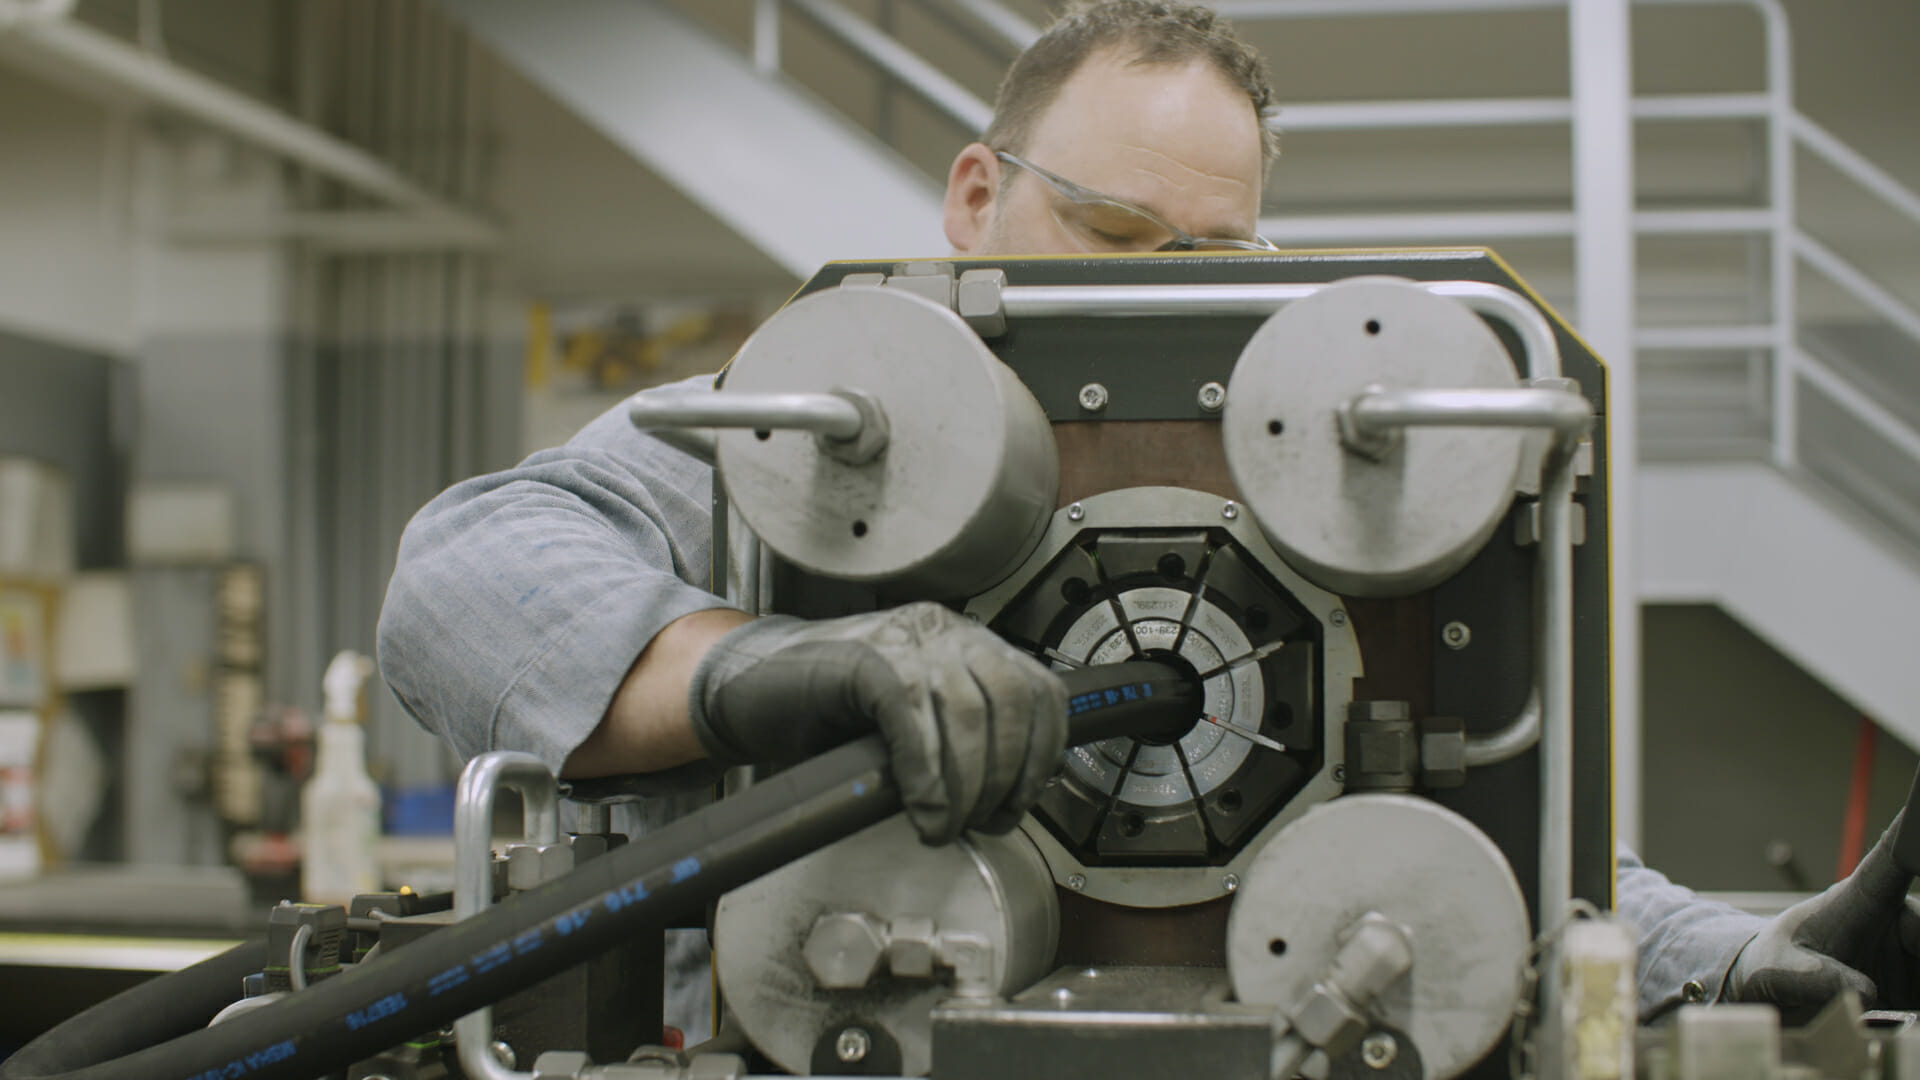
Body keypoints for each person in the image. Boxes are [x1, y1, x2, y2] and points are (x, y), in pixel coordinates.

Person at [379, 0, 1920, 1037]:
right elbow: (461, 579)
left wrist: (1745, 959)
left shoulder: (1306, 466)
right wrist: (773, 668)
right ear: (976, 198)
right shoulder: (819, 434)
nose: (1157, 277)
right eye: (1111, 229)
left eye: (1215, 246)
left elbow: (1494, 843)